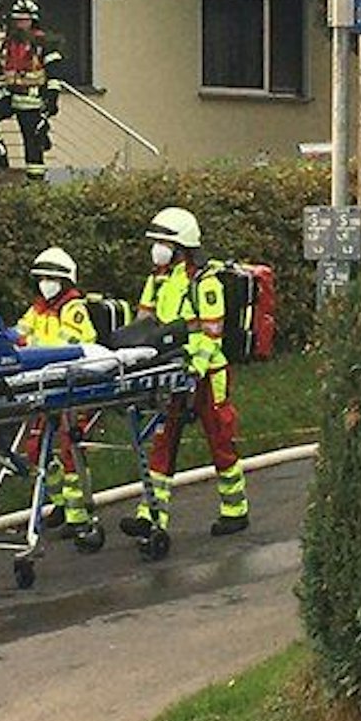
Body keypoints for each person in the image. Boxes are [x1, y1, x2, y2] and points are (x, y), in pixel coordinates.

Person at [121, 207, 250, 542]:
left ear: (181, 246)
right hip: (170, 370)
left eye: (163, 243)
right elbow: (142, 326)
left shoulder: (205, 283)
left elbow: (211, 335)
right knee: (162, 440)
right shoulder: (157, 280)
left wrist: (194, 369)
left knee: (219, 439)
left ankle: (235, 510)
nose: (157, 249)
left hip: (206, 373)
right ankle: (151, 514)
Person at [17, 246, 102, 546]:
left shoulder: (73, 309)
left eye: (51, 279)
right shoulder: (39, 309)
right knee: (34, 447)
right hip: (45, 385)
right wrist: (7, 337)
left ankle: (79, 516)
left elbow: (70, 345)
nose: (46, 284)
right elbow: (21, 332)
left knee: (70, 450)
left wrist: (32, 346)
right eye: (42, 278)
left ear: (64, 281)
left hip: (72, 386)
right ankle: (61, 504)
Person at [0, 0, 65, 182]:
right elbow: (1, 68)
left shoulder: (43, 43)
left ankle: (35, 183)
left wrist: (52, 98)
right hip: (11, 95)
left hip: (32, 100)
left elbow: (55, 72)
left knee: (32, 145)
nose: (20, 24)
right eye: (17, 20)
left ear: (33, 20)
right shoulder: (9, 43)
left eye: (24, 20)